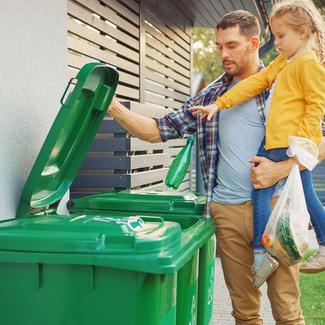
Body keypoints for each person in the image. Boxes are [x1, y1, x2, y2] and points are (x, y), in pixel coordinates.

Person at [108, 9, 325, 324]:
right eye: (219, 46)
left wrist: (280, 169)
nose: (224, 53)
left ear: (253, 43)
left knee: (288, 311)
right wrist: (113, 106)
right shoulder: (211, 95)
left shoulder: (284, 77)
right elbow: (158, 130)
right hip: (227, 212)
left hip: (278, 208)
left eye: (232, 45)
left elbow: (318, 143)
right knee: (245, 312)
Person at [190, 0, 325, 287]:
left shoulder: (309, 64)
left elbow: (316, 106)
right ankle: (263, 252)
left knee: (304, 195)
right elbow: (257, 82)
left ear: (302, 33)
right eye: (274, 35)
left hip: (289, 143)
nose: (275, 42)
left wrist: (300, 143)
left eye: (281, 36)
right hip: (275, 141)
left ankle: (305, 246)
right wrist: (219, 104)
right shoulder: (283, 61)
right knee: (262, 189)